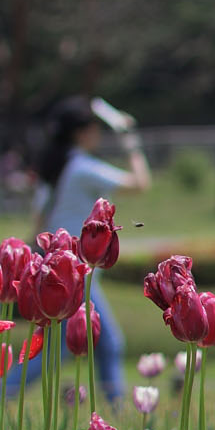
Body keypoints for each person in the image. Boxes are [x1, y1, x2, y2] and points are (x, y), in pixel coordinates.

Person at [17, 96, 151, 404]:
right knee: (103, 342)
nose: (99, 134)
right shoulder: (81, 169)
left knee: (66, 347)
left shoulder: (55, 170)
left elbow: (38, 220)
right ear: (81, 132)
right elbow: (140, 183)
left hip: (54, 263)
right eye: (94, 128)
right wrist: (130, 140)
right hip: (74, 269)